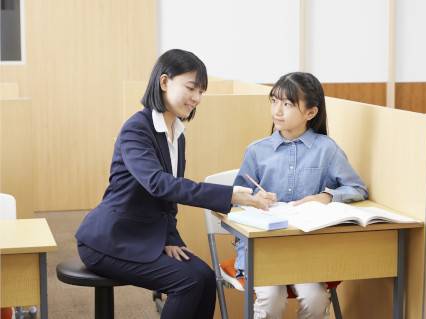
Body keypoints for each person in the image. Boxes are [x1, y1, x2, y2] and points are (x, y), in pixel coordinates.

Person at [75, 49, 276, 319]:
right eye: (191, 88)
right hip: (110, 240)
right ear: (164, 82)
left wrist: (170, 239)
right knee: (188, 282)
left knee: (205, 277)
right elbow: (159, 184)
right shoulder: (136, 129)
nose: (197, 98)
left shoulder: (177, 134)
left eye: (201, 92)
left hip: (146, 237)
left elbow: (166, 201)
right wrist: (231, 195)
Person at [233, 72, 368, 319]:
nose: (278, 110)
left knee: (315, 299)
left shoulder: (326, 149)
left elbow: (357, 189)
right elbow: (236, 199)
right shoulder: (256, 151)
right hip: (264, 248)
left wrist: (326, 197)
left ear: (310, 113)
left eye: (287, 104)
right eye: (274, 101)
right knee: (271, 298)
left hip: (306, 248)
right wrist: (254, 199)